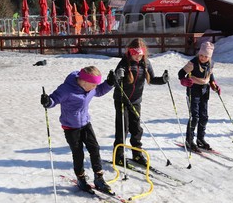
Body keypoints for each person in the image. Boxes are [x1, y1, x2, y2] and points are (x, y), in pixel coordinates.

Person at [40, 66, 116, 194]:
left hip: (85, 123)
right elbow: (54, 99)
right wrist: (48, 101)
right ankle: (81, 178)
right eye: (93, 85)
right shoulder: (66, 89)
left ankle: (99, 178)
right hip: (70, 126)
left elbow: (100, 90)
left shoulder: (90, 87)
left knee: (94, 148)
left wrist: (110, 83)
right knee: (78, 152)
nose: (94, 88)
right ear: (84, 82)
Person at [113, 38, 169, 167]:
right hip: (122, 100)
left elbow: (152, 79)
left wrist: (163, 80)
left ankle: (137, 154)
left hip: (136, 101)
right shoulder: (124, 63)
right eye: (135, 54)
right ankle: (119, 156)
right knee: (123, 129)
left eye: (140, 54)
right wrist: (117, 76)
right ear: (130, 52)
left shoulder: (146, 63)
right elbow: (114, 81)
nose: (137, 57)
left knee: (136, 129)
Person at [178, 41, 220, 152]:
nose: (202, 58)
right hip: (193, 89)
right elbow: (180, 74)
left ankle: (200, 139)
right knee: (194, 116)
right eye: (201, 55)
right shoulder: (192, 63)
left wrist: (213, 84)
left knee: (204, 116)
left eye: (205, 56)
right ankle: (189, 140)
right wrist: (185, 80)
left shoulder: (211, 63)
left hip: (204, 90)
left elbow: (210, 75)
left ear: (209, 56)